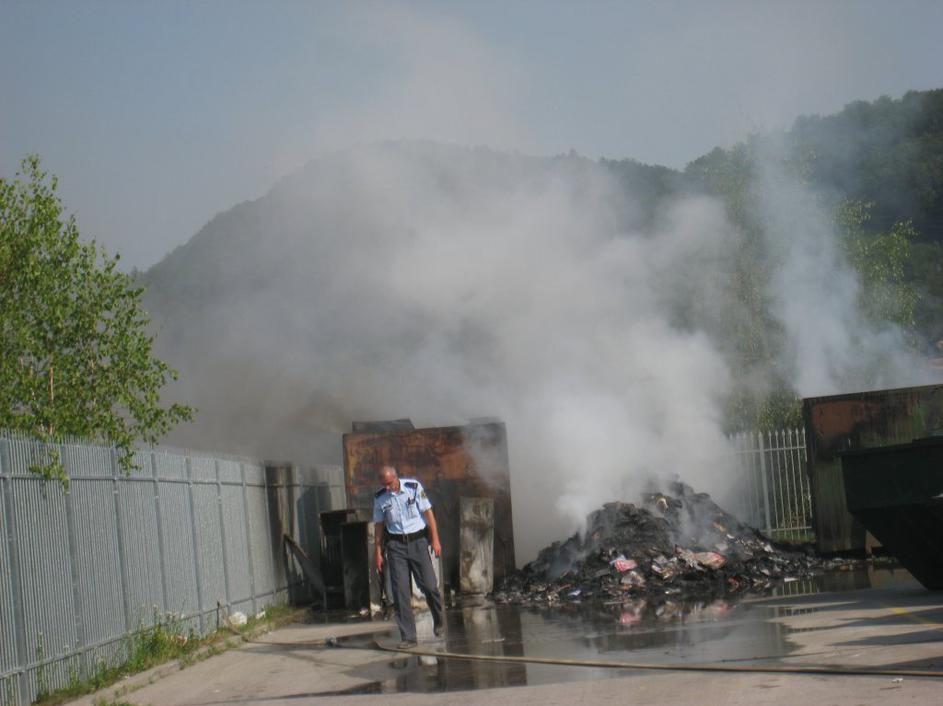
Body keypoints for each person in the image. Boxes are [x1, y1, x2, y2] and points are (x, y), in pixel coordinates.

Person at [373, 465, 445, 647]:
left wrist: (435, 539)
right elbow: (379, 526)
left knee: (430, 586)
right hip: (395, 546)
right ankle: (409, 637)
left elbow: (428, 514)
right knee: (400, 593)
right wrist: (378, 552)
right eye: (384, 484)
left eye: (389, 483)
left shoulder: (413, 487)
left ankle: (439, 619)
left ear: (396, 477)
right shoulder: (380, 498)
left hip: (418, 542)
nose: (387, 487)